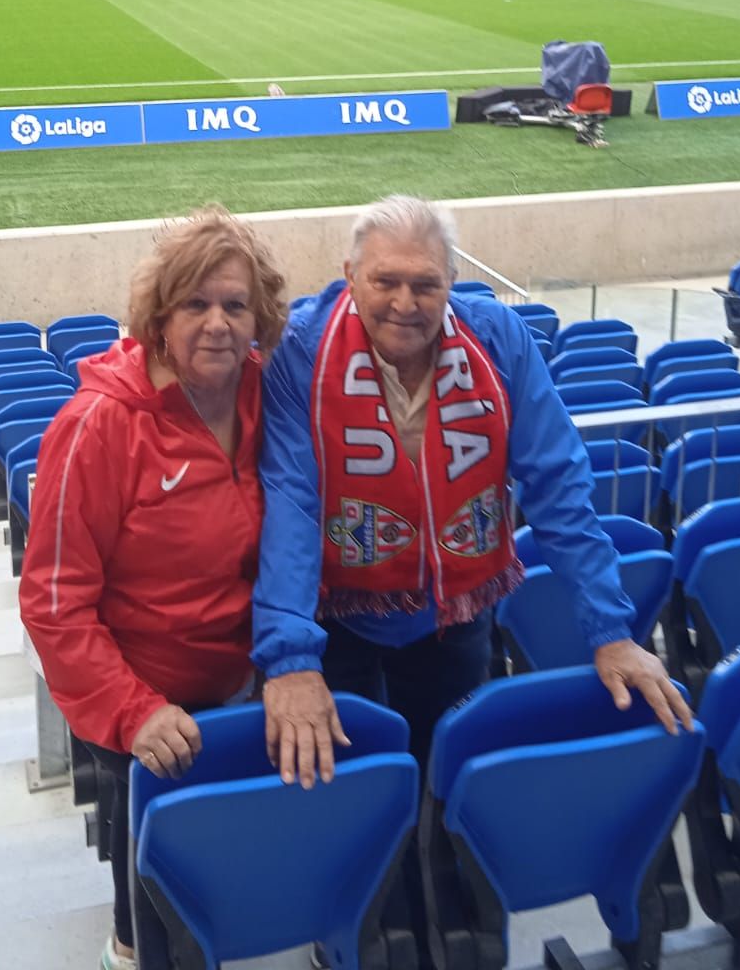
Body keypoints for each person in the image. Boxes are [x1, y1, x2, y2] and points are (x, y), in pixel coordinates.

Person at [253, 195, 691, 963]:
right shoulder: (302, 350)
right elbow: (290, 497)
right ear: (349, 275)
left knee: (447, 777)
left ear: (452, 281)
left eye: (426, 283)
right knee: (350, 788)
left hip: (454, 613)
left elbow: (558, 482)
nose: (406, 302)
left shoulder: (497, 338)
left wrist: (611, 631)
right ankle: (360, 927)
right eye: (386, 281)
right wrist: (289, 658)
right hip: (336, 616)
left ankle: (448, 919)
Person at [20, 207, 287, 970]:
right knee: (152, 904)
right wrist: (134, 712)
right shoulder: (99, 425)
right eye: (195, 304)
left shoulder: (266, 394)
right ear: (159, 318)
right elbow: (53, 601)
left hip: (244, 691)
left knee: (221, 878)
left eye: (235, 305)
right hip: (140, 707)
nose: (218, 324)